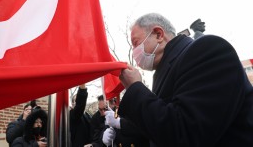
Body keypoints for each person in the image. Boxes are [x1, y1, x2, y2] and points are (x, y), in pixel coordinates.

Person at [108, 13, 253, 147]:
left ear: (159, 34)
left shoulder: (205, 50)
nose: (134, 53)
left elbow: (185, 134)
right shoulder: (163, 73)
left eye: (136, 43)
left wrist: (135, 88)